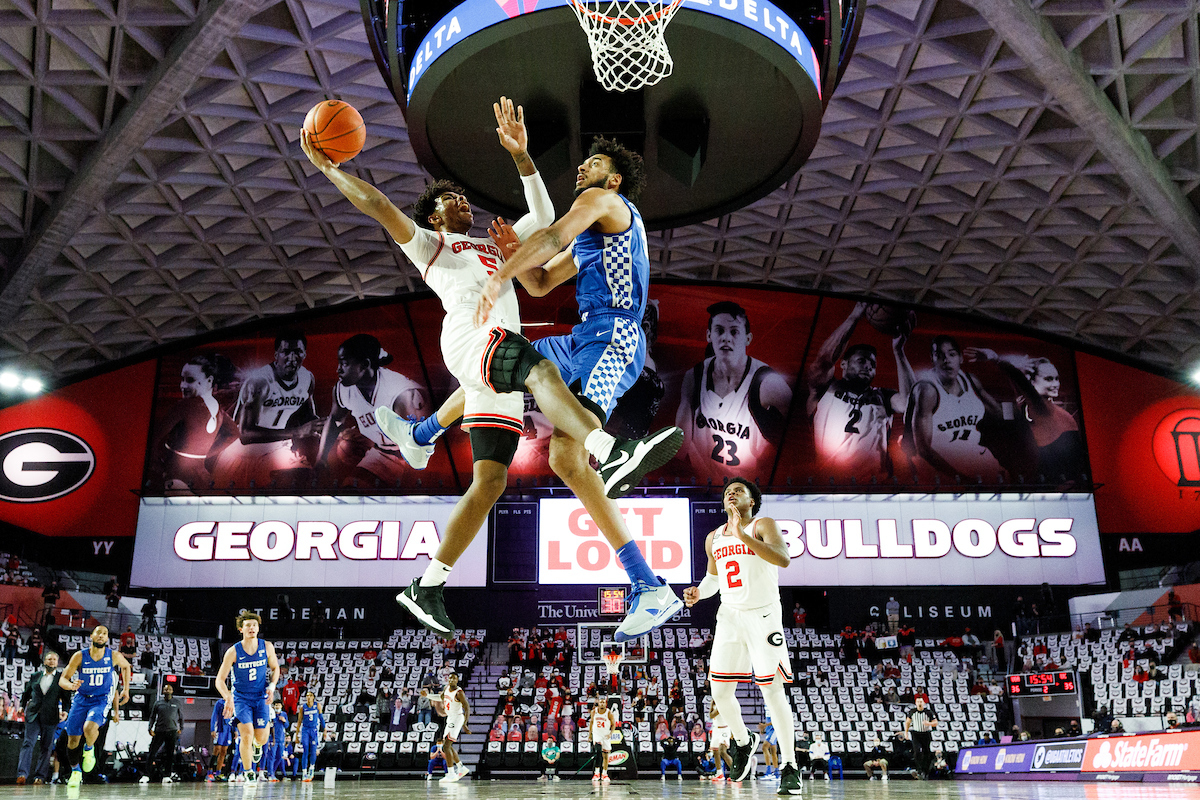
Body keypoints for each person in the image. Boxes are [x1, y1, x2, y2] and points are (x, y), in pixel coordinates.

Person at [304, 102, 681, 640]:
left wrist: (516, 206)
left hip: (599, 335)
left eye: (591, 163)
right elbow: (385, 207)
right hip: (489, 342)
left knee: (498, 478)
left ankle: (427, 572)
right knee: (540, 383)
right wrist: (331, 169)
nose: (464, 202)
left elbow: (545, 236)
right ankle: (615, 451)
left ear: (613, 177)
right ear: (435, 216)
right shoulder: (435, 245)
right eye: (453, 199)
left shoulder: (597, 204)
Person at [683, 477, 801, 795]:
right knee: (719, 691)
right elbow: (713, 580)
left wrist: (742, 536)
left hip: (763, 616)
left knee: (772, 691)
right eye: (727, 492)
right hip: (730, 616)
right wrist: (698, 592)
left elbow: (783, 559)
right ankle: (743, 740)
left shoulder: (763, 524)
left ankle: (790, 765)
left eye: (739, 491)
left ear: (752, 502)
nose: (731, 494)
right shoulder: (713, 538)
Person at [677, 301, 792, 481]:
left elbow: (800, 438)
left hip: (750, 488)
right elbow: (680, 444)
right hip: (702, 486)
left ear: (748, 338)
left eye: (734, 331)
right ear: (709, 335)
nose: (726, 338)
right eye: (719, 330)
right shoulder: (694, 376)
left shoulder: (767, 382)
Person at [807, 302, 915, 480]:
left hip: (873, 485)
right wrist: (853, 317)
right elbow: (823, 361)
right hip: (829, 483)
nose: (868, 367)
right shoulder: (827, 387)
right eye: (862, 361)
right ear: (843, 364)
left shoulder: (883, 395)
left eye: (872, 364)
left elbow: (912, 403)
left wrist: (899, 351)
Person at [314, 332, 430, 485]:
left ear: (364, 365)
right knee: (349, 486)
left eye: (344, 363)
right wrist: (321, 458)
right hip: (386, 451)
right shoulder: (343, 389)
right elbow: (334, 419)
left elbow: (416, 443)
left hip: (418, 453)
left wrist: (366, 441)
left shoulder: (399, 393)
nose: (338, 370)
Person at [213, 332, 322, 488]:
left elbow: (308, 416)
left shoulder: (307, 378)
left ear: (304, 354)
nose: (292, 357)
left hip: (278, 449)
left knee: (303, 482)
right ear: (276, 355)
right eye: (286, 352)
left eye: (297, 352)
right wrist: (297, 432)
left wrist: (324, 427)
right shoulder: (261, 381)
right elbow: (245, 434)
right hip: (244, 453)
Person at [904, 335, 1004, 480]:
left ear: (960, 358)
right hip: (941, 467)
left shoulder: (971, 381)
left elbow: (999, 413)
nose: (946, 360)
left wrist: (995, 359)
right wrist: (962, 479)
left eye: (951, 354)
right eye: (939, 355)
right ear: (932, 359)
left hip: (974, 457)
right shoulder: (927, 390)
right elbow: (924, 450)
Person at [151, 354, 239, 491]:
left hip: (176, 474)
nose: (183, 385)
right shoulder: (219, 410)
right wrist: (207, 454)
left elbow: (154, 437)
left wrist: (160, 466)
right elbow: (233, 434)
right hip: (199, 474)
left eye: (190, 380)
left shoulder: (184, 406)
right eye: (182, 379)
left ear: (209, 381)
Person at [58, 626, 131, 789]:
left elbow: (126, 667)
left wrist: (126, 689)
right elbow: (62, 679)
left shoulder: (113, 656)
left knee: (89, 728)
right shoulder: (80, 656)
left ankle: (89, 749)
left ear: (107, 639)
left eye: (105, 633)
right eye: (98, 632)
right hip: (81, 699)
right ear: (92, 635)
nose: (101, 636)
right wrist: (71, 686)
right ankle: (75, 772)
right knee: (72, 741)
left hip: (100, 700)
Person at [214, 611, 280, 785]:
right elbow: (219, 680)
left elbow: (276, 668)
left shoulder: (266, 647)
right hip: (241, 699)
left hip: (261, 697)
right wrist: (228, 697)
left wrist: (272, 687)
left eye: (254, 625)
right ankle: (248, 771)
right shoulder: (233, 651)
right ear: (240, 629)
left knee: (262, 738)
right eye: (248, 625)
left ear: (258, 628)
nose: (252, 628)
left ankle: (257, 747)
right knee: (246, 734)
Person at [17, 651, 66, 785]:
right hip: (33, 714)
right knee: (28, 743)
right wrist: (22, 706)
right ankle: (22, 774)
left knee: (46, 747)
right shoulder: (35, 676)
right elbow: (26, 693)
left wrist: (66, 711)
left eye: (54, 659)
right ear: (44, 661)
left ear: (57, 663)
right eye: (49, 659)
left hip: (51, 716)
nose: (51, 661)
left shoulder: (61, 678)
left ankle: (40, 776)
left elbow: (66, 698)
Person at [435, 672, 471, 783]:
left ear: (457, 680)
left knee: (446, 745)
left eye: (454, 679)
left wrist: (465, 724)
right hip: (450, 718)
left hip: (457, 718)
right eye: (450, 678)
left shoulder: (459, 692)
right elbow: (439, 697)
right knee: (447, 745)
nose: (451, 680)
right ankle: (461, 767)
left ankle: (451, 774)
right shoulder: (446, 689)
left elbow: (467, 707)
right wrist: (426, 695)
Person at [146, 682, 183, 783]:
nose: (167, 691)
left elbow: (181, 717)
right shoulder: (158, 703)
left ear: (172, 691)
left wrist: (181, 728)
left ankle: (167, 775)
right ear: (163, 691)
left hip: (172, 731)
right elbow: (152, 717)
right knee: (152, 753)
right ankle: (146, 775)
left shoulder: (177, 702)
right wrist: (150, 728)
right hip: (159, 731)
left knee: (170, 754)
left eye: (169, 689)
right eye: (166, 689)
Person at [292, 691, 324, 781]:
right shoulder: (303, 707)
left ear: (313, 697)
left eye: (310, 695)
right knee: (305, 750)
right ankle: (304, 772)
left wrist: (324, 729)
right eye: (307, 696)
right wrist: (297, 735)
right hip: (305, 730)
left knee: (313, 751)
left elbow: (321, 718)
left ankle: (311, 769)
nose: (308, 697)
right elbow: (299, 721)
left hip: (314, 730)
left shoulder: (317, 705)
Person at [905, 697, 938, 779]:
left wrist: (928, 723)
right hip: (916, 733)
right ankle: (919, 769)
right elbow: (907, 722)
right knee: (917, 751)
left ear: (923, 703)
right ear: (916, 703)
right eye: (918, 702)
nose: (919, 703)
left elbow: (935, 723)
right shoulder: (912, 712)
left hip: (926, 733)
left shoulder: (928, 712)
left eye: (921, 701)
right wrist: (906, 732)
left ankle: (925, 771)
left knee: (926, 752)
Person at [589, 696, 618, 784]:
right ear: (598, 703)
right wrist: (590, 735)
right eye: (600, 702)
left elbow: (613, 724)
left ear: (606, 703)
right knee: (598, 752)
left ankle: (604, 773)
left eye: (603, 702)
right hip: (597, 734)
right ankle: (596, 773)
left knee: (605, 755)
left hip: (605, 735)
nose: (602, 703)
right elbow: (591, 723)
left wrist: (610, 733)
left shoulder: (609, 713)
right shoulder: (594, 711)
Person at [207, 697, 233, 782]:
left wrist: (235, 731)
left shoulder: (233, 702)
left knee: (224, 751)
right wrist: (212, 729)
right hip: (219, 729)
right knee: (216, 750)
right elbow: (214, 715)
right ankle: (209, 773)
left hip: (228, 730)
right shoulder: (219, 702)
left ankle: (218, 773)